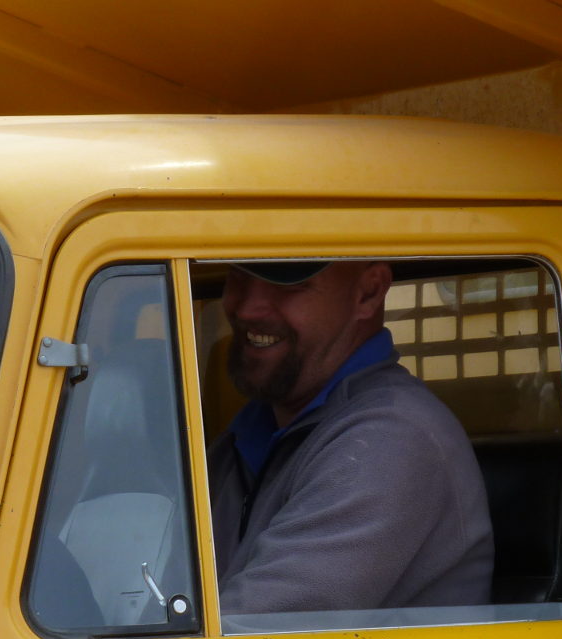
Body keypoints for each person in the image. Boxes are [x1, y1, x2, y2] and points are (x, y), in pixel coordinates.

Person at [207, 259, 494, 615]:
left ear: (368, 293)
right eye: (238, 277)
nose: (247, 308)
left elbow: (256, 628)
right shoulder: (245, 435)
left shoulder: (390, 439)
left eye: (288, 285)